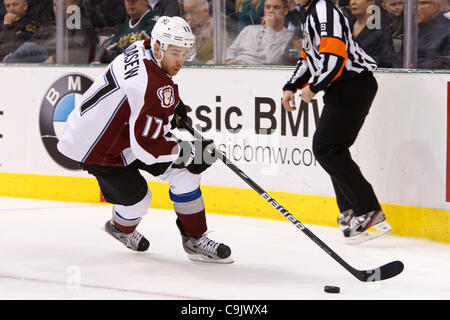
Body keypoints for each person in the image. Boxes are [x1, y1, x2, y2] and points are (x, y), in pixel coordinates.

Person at [56, 16, 234, 263]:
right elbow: (147, 148)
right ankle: (121, 228)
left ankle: (195, 239)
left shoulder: (143, 46)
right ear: (159, 46)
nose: (180, 61)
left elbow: (140, 106)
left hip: (119, 131)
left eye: (184, 53)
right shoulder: (149, 85)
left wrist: (173, 109)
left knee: (186, 174)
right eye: (175, 53)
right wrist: (192, 152)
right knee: (139, 202)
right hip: (96, 146)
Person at [281, 0, 392, 243]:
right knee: (331, 148)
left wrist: (315, 86)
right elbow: (309, 59)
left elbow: (335, 56)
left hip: (354, 85)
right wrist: (291, 86)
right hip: (342, 87)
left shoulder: (324, 11)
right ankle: (354, 210)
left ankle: (367, 210)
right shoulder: (310, 14)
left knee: (327, 148)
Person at [4, 0, 97, 64]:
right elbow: (33, 41)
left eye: (63, 4)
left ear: (74, 6)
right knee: (25, 49)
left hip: (56, 62)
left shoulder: (82, 25)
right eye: (55, 5)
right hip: (42, 61)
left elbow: (81, 53)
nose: (57, 9)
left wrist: (54, 58)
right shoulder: (49, 25)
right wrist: (15, 54)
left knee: (29, 48)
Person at [226, 0, 293, 65]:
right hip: (236, 68)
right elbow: (231, 50)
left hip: (260, 72)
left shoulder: (289, 37)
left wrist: (269, 28)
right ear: (264, 9)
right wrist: (231, 60)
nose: (271, 11)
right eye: (268, 7)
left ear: (285, 11)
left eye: (276, 7)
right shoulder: (249, 29)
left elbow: (273, 60)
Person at [348, 0, 394, 67]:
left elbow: (385, 60)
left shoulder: (383, 28)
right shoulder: (346, 25)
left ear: (371, 2)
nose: (353, 2)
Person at [417, 0, 450, 69]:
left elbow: (445, 62)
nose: (414, 8)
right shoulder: (409, 28)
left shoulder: (446, 29)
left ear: (434, 7)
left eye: (421, 3)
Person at [381, 0, 403, 67]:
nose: (398, 7)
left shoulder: (408, 20)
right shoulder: (379, 23)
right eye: (393, 4)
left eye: (400, 3)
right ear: (384, 6)